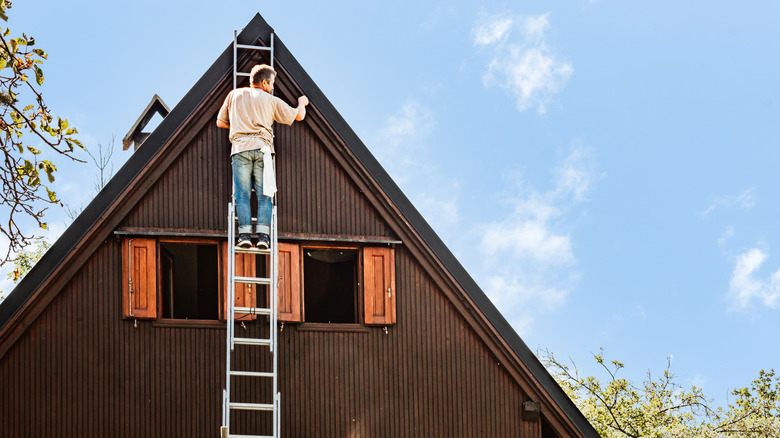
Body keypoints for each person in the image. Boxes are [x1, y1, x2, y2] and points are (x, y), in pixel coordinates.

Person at [216, 64, 309, 249]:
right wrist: (302, 102)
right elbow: (298, 116)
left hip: (240, 149)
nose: (273, 87)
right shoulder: (270, 100)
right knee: (265, 195)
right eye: (272, 83)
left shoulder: (233, 95)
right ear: (265, 82)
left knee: (242, 195)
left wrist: (239, 130)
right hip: (263, 150)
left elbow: (220, 122)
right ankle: (263, 237)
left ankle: (243, 235)